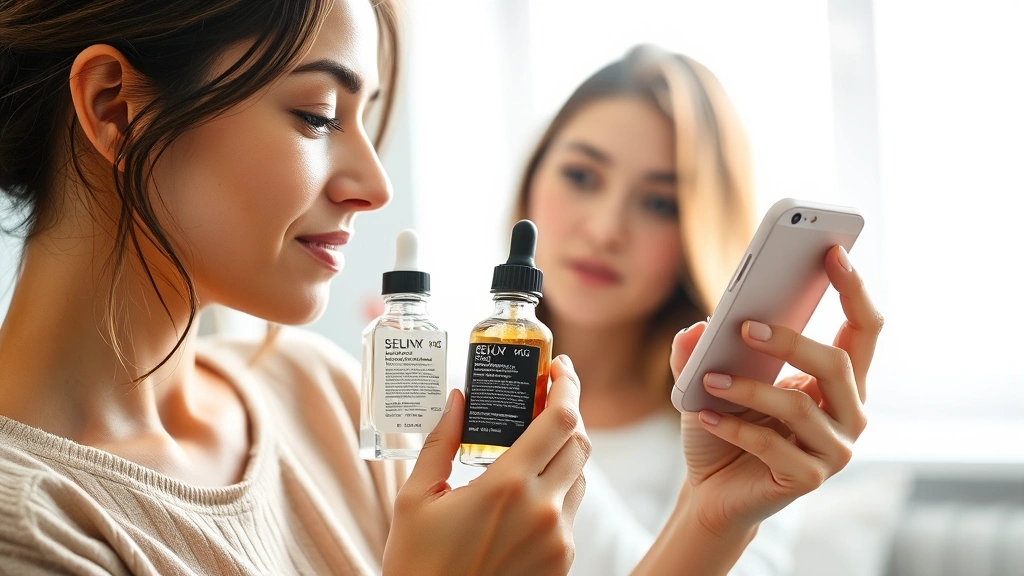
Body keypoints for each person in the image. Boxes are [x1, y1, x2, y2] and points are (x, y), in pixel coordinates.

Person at [0, 0, 880, 573]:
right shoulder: (32, 525)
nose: (374, 184)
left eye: (367, 119)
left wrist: (711, 519)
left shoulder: (325, 393)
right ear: (116, 106)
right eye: (316, 115)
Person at [501, 44, 880, 574]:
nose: (606, 229)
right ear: (532, 179)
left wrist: (712, 523)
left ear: (699, 230)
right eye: (582, 176)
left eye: (660, 203)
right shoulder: (451, 396)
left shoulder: (737, 433)